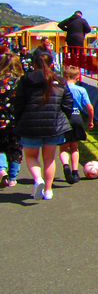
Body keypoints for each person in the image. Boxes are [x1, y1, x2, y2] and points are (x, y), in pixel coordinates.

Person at [13, 52, 73, 201]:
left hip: (29, 124)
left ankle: (37, 179)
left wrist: (18, 121)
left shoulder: (25, 80)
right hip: (53, 125)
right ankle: (48, 190)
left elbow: (18, 103)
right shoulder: (59, 81)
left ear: (33, 65)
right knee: (49, 159)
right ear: (52, 64)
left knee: (31, 156)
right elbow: (68, 105)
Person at [58, 66, 94, 185]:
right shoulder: (81, 90)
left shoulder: (59, 88)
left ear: (64, 76)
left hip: (63, 118)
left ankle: (65, 165)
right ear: (78, 77)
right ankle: (75, 171)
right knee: (74, 147)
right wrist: (90, 120)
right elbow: (89, 107)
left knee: (63, 147)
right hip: (76, 116)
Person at [0, 53, 24, 189]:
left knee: (0, 148)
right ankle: (12, 178)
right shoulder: (20, 82)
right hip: (15, 121)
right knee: (15, 149)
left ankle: (1, 170)